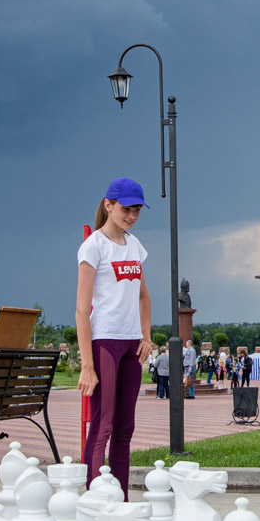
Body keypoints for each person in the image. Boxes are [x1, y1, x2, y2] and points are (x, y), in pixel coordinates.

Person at [75, 178, 154, 491]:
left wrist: (146, 336)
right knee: (103, 424)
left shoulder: (134, 245)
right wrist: (87, 366)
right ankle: (94, 499)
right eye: (126, 209)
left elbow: (144, 296)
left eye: (137, 210)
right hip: (104, 342)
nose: (132, 215)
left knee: (125, 427)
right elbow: (81, 310)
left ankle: (121, 502)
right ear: (108, 205)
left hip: (132, 344)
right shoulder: (93, 246)